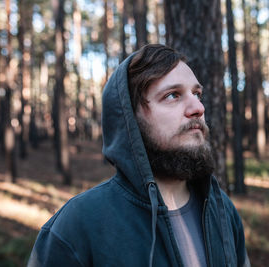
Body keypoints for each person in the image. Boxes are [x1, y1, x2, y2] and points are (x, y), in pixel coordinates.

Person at [28, 44, 250, 267]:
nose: (198, 108)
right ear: (130, 119)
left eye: (197, 94)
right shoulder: (78, 225)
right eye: (173, 95)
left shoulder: (221, 210)